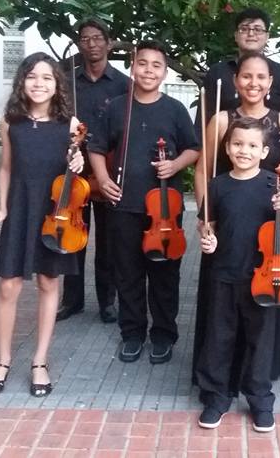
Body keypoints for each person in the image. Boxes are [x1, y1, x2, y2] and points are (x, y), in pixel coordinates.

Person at [192, 51, 280, 388]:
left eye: (260, 77)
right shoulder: (221, 119)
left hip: (270, 228)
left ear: (270, 83)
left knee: (263, 306)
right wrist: (207, 217)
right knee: (221, 309)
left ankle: (258, 379)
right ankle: (218, 378)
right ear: (235, 81)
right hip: (228, 221)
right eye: (246, 76)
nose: (253, 83)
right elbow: (202, 171)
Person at [88, 41, 200, 364]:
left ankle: (163, 334)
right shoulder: (116, 107)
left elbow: (193, 149)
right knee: (127, 273)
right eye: (143, 63)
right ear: (133, 67)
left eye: (156, 65)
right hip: (124, 205)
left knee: (165, 275)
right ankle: (133, 333)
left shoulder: (175, 109)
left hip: (165, 210)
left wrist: (175, 165)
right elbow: (96, 147)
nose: (149, 70)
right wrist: (103, 179)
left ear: (164, 73)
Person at [0, 52, 85, 398]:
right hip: (21, 208)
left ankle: (40, 361)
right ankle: (3, 360)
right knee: (8, 286)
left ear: (57, 85)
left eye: (47, 78)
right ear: (21, 82)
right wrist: (1, 208)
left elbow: (75, 168)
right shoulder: (10, 122)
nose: (39, 84)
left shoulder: (70, 124)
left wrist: (78, 161)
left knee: (47, 281)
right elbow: (6, 168)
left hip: (53, 212)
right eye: (32, 77)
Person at [194, 117, 280, 433]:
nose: (243, 151)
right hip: (223, 272)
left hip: (263, 276)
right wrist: (207, 240)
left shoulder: (275, 186)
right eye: (237, 144)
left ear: (264, 152)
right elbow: (207, 226)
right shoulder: (218, 185)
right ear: (227, 148)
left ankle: (260, 399)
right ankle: (217, 396)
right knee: (219, 337)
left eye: (251, 145)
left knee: (260, 340)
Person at [57, 19, 130, 324]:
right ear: (79, 44)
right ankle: (72, 300)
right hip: (73, 168)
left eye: (98, 38)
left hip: (107, 170)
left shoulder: (124, 83)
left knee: (109, 241)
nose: (92, 44)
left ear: (108, 43)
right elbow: (59, 119)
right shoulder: (67, 82)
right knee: (73, 235)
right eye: (85, 39)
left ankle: (107, 302)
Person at [195, 7, 280, 133]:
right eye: (244, 29)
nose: (251, 34)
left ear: (267, 36)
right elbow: (203, 122)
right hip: (224, 143)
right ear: (236, 36)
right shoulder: (217, 73)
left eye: (257, 29)